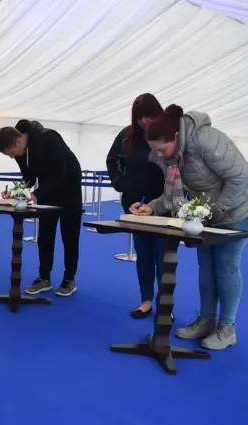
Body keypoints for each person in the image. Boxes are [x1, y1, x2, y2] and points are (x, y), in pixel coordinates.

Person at [129, 104, 248, 350]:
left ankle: (228, 327)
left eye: (162, 149)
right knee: (205, 262)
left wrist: (212, 212)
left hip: (242, 203)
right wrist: (151, 207)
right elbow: (172, 195)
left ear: (176, 137)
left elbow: (239, 178)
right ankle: (206, 320)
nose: (159, 155)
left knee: (226, 263)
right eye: (154, 151)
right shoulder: (172, 157)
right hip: (210, 208)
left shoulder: (206, 139)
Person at [0, 120, 82, 297]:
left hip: (69, 190)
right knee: (45, 236)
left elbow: (61, 173)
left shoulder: (49, 139)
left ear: (18, 141)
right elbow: (28, 177)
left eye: (11, 153)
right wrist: (17, 192)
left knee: (69, 237)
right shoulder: (21, 152)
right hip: (47, 192)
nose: (12, 157)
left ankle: (69, 279)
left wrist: (35, 194)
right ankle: (44, 278)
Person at [106, 93, 165, 318]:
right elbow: (111, 161)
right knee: (144, 254)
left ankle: (165, 305)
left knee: (163, 256)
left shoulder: (167, 134)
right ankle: (146, 300)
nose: (144, 122)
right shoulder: (126, 135)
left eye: (148, 116)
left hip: (163, 206)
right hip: (135, 206)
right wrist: (120, 184)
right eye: (139, 117)